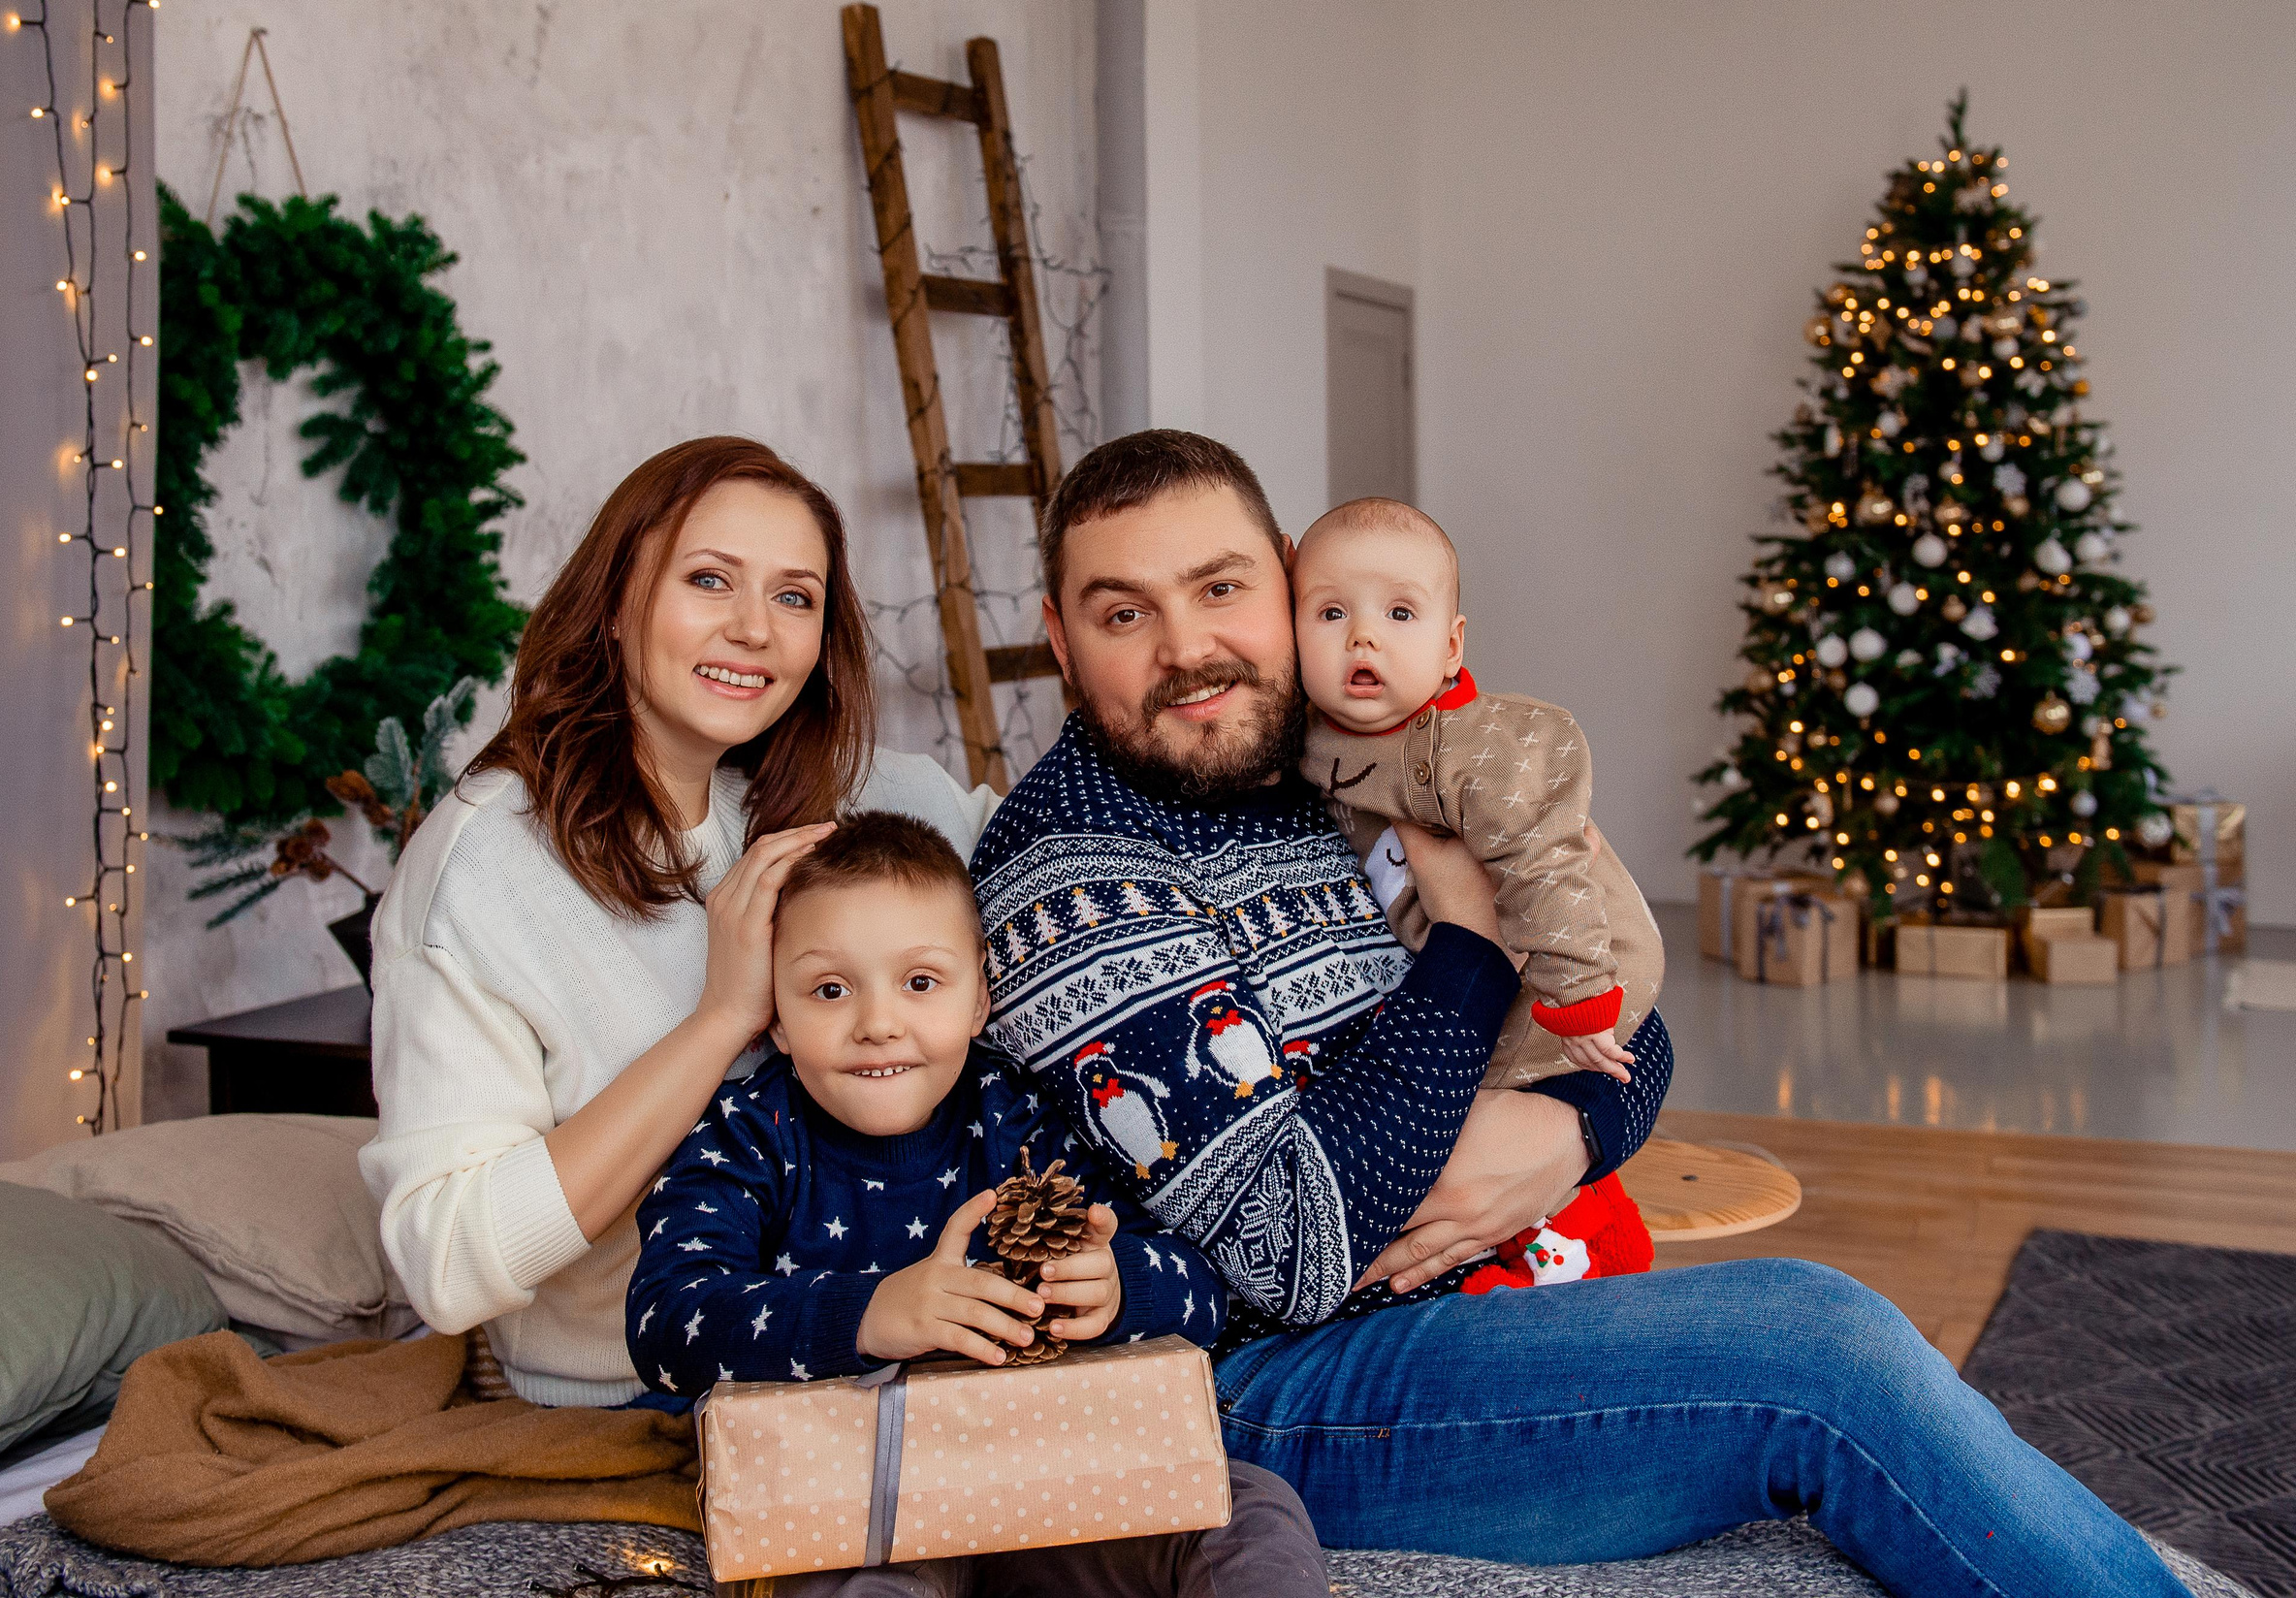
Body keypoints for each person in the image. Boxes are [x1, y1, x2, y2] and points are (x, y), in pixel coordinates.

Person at [971, 428, 2192, 1598]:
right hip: (1260, 1392)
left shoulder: (1323, 769)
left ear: (1288, 587)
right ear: (1060, 643)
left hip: (1442, 1305)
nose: (1189, 649)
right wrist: (1465, 938)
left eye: (1220, 588)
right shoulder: (1071, 879)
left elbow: (1620, 1011)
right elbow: (1295, 1248)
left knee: (1838, 1345)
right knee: (1820, 1352)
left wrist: (1566, 1135)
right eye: (1123, 611)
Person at [360, 437, 995, 1410]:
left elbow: (1057, 838)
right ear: (614, 605)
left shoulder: (862, 795)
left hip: (906, 1348)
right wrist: (720, 1018)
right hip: (648, 1393)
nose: (754, 629)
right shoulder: (483, 869)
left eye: (794, 597)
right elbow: (447, 1262)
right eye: (709, 580)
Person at [628, 812, 1326, 1598]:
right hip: (859, 1509)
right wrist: (871, 1312)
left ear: (978, 998)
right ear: (776, 1017)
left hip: (1052, 1487)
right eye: (829, 989)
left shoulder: (1020, 1112)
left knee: (1258, 1507)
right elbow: (664, 1322)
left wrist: (1119, 1282)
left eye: (920, 982)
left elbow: (1205, 1288)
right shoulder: (747, 1134)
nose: (878, 1023)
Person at [1292, 495, 1662, 1092]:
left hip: (1577, 966)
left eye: (1401, 614)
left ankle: (1582, 1177)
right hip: (1448, 956)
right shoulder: (1306, 731)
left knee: (1482, 1093)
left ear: (1451, 648)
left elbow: (1541, 868)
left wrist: (1580, 998)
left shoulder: (1476, 751)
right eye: (1332, 613)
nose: (1363, 637)